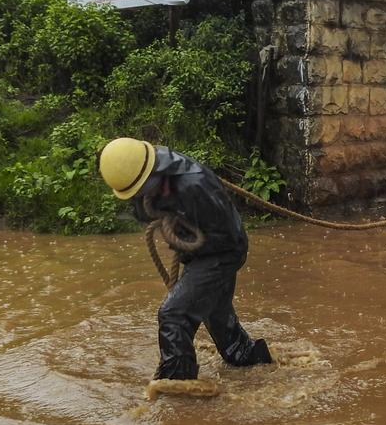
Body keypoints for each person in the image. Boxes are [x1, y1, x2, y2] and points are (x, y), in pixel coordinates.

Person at [98, 137, 272, 380]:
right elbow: (143, 212)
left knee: (174, 314)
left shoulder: (196, 185)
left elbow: (227, 237)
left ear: (151, 174)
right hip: (199, 252)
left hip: (223, 250)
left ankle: (178, 385)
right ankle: (251, 360)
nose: (137, 196)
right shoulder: (142, 173)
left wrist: (189, 249)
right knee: (216, 313)